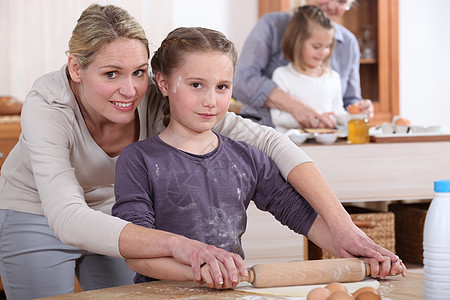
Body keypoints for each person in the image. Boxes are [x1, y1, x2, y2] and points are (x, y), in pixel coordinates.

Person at [0, 3, 402, 299]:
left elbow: (269, 143)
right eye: (111, 75)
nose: (130, 91)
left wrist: (344, 230)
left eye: (139, 72)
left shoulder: (161, 96)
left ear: (155, 76)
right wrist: (184, 247)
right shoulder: (48, 104)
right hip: (38, 211)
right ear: (75, 69)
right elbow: (67, 217)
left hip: (114, 215)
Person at [112, 26, 405, 289]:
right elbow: (136, 253)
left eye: (222, 87)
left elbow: (299, 214)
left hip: (227, 293)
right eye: (196, 85)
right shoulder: (138, 160)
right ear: (163, 84)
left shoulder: (247, 158)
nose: (211, 101)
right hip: (158, 293)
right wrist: (202, 272)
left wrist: (356, 249)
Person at [234, 0, 374, 129]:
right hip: (263, 132)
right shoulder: (272, 25)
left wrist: (358, 109)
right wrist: (295, 106)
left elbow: (349, 100)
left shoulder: (348, 43)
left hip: (323, 137)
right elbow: (240, 80)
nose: (332, 5)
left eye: (341, 1)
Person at [270, 6, 347, 133]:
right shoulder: (282, 75)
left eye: (327, 46)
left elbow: (337, 112)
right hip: (291, 146)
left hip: (323, 145)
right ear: (297, 43)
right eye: (316, 47)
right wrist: (317, 120)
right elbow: (278, 118)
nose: (323, 52)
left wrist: (354, 116)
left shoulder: (333, 77)